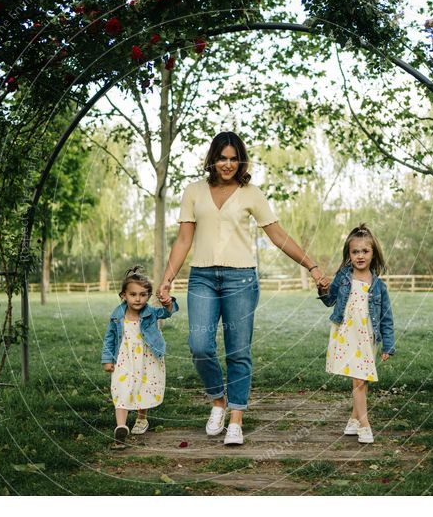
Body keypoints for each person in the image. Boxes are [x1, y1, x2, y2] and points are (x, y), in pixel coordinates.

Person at [157, 131, 329, 446]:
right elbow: (184, 240)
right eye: (222, 157)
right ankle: (218, 401)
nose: (228, 164)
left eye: (234, 158)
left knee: (238, 351)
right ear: (212, 159)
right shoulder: (194, 191)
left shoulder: (251, 193)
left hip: (241, 280)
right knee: (199, 345)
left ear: (241, 160)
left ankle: (236, 417)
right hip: (202, 277)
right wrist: (168, 277)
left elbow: (278, 236)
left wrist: (312, 266)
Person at [318, 223, 395, 444]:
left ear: (373, 254)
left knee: (362, 381)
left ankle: (353, 420)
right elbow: (330, 300)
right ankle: (364, 425)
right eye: (355, 251)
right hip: (346, 334)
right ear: (349, 254)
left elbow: (387, 318)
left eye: (365, 251)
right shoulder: (343, 277)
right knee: (359, 381)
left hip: (367, 337)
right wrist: (323, 289)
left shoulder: (379, 286)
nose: (360, 256)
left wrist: (388, 344)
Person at [102, 266, 178, 444]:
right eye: (133, 294)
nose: (138, 299)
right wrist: (107, 359)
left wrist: (168, 302)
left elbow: (167, 312)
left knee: (142, 387)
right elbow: (109, 337)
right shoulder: (117, 315)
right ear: (123, 295)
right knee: (121, 388)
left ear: (149, 296)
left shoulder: (150, 312)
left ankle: (141, 418)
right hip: (124, 359)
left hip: (147, 358)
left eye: (143, 295)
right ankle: (121, 426)